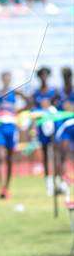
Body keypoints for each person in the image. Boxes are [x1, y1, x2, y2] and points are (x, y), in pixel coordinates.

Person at [0, 73, 28, 199]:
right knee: (0, 157)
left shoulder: (14, 93)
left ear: (11, 80)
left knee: (10, 159)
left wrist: (21, 96)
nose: (7, 81)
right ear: (1, 80)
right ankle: (1, 187)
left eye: (9, 79)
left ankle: (7, 187)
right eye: (5, 78)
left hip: (11, 129)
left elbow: (30, 102)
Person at [31, 67, 56, 195]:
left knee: (56, 154)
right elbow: (33, 110)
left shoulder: (53, 91)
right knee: (46, 154)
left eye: (46, 75)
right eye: (42, 75)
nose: (44, 77)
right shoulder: (36, 93)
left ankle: (59, 181)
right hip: (42, 128)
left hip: (54, 126)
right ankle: (48, 183)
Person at [54, 67, 74, 196]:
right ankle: (62, 181)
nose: (66, 78)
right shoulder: (59, 92)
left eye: (67, 76)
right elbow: (54, 106)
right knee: (63, 153)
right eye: (64, 76)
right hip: (64, 128)